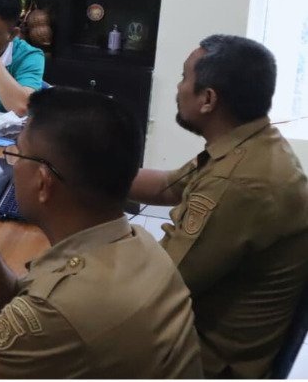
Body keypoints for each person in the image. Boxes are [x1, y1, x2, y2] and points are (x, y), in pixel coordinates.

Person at [0, 87, 202, 377]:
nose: (14, 166)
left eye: (18, 154)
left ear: (43, 182)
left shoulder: (66, 308)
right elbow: (7, 313)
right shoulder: (138, 244)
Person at [129, 35, 308, 378]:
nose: (178, 87)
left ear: (208, 99)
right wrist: (83, 171)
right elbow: (168, 185)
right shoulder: (253, 144)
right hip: (197, 333)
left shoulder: (239, 182)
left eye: (184, 77)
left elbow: (156, 287)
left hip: (206, 361)